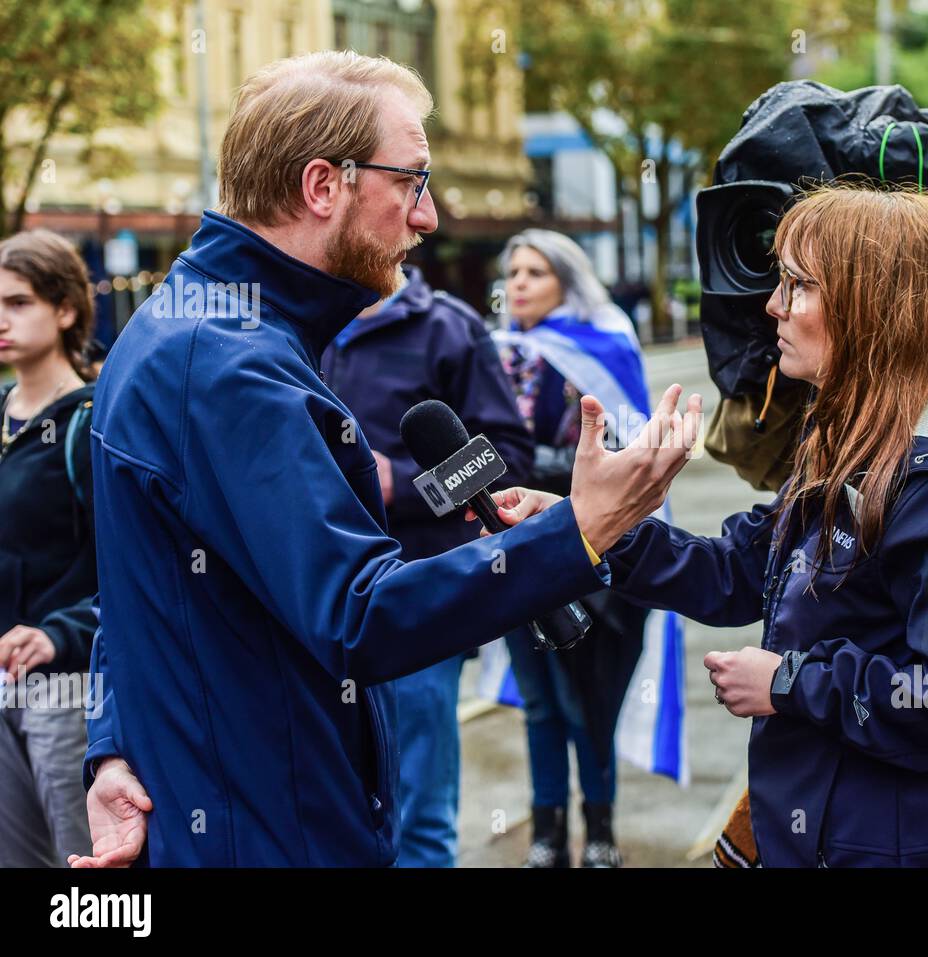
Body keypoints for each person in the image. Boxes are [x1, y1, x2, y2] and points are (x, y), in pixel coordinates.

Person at [69, 50, 700, 868]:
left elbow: (131, 591)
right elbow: (359, 616)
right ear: (324, 185)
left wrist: (111, 747)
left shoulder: (183, 328)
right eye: (413, 181)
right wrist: (583, 528)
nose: (429, 216)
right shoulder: (228, 366)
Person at [480, 185, 928, 867]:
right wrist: (588, 522)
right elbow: (739, 570)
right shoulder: (855, 434)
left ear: (872, 306)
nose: (772, 305)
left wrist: (790, 682)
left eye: (797, 285)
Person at [321, 265, 534, 867]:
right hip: (313, 605)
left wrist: (400, 486)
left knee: (416, 815)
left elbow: (503, 457)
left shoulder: (450, 329)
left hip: (417, 603)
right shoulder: (297, 326)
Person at [492, 229, 655, 867]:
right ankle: (547, 836)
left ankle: (602, 834)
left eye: (536, 271)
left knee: (586, 703)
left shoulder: (606, 348)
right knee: (538, 703)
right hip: (514, 555)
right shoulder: (495, 355)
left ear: (567, 280)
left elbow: (632, 455)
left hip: (592, 557)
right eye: (514, 272)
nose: (520, 284)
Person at [0, 229, 98, 867]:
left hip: (67, 691)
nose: (0, 321)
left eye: (17, 303)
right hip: (1, 684)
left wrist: (61, 633)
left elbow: (128, 566)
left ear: (65, 310)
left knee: (83, 872)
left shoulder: (91, 420)